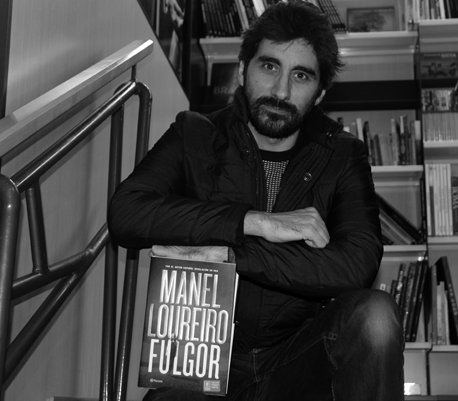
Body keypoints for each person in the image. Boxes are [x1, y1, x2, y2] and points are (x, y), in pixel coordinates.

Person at [108, 1, 404, 400]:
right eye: (269, 67)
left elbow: (356, 264)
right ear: (242, 69)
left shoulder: (343, 155)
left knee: (376, 318)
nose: (281, 91)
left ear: (319, 94)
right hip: (201, 355)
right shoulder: (195, 133)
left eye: (301, 75)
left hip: (298, 360)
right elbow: (127, 212)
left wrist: (232, 255)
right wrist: (255, 221)